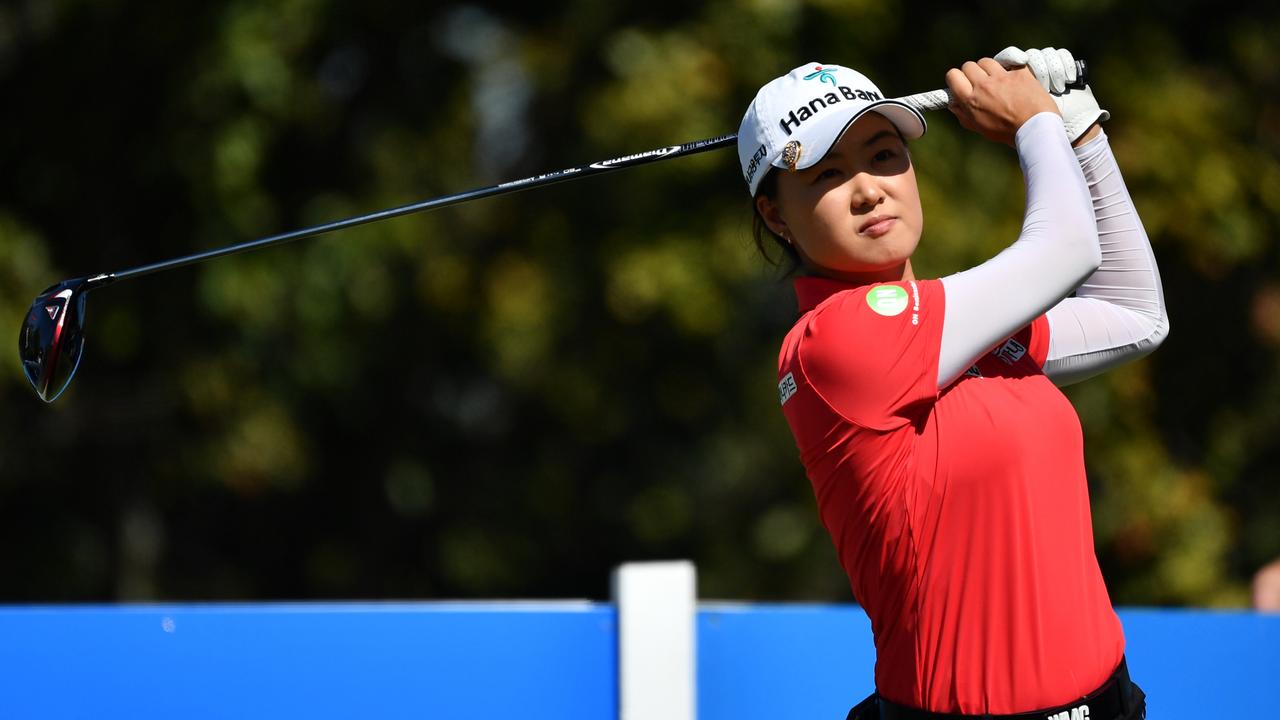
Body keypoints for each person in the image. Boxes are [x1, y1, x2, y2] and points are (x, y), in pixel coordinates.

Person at [737, 47, 1167, 719]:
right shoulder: (837, 341)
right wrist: (1036, 123)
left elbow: (1134, 314)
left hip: (1111, 703)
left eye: (884, 155)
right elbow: (1066, 249)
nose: (868, 189)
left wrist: (1081, 125)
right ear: (776, 215)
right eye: (826, 175)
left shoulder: (963, 328)